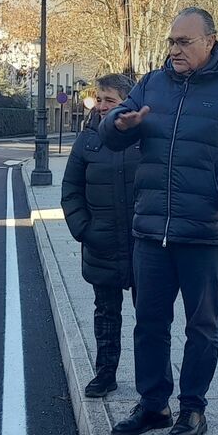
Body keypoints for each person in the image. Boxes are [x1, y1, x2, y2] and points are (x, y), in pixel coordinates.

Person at [101, 7, 218, 435]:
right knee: (149, 322)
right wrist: (118, 122)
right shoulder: (152, 84)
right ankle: (153, 404)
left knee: (201, 325)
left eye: (184, 42)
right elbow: (113, 133)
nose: (175, 50)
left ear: (210, 41)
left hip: (203, 233)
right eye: (171, 42)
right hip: (151, 228)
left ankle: (193, 407)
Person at [62, 72, 141, 399]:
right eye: (100, 99)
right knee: (106, 314)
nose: (103, 106)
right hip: (102, 242)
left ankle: (150, 380)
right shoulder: (89, 139)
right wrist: (84, 230)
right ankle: (105, 374)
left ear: (127, 102)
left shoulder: (144, 136)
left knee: (149, 317)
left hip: (141, 244)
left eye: (111, 100)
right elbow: (70, 189)